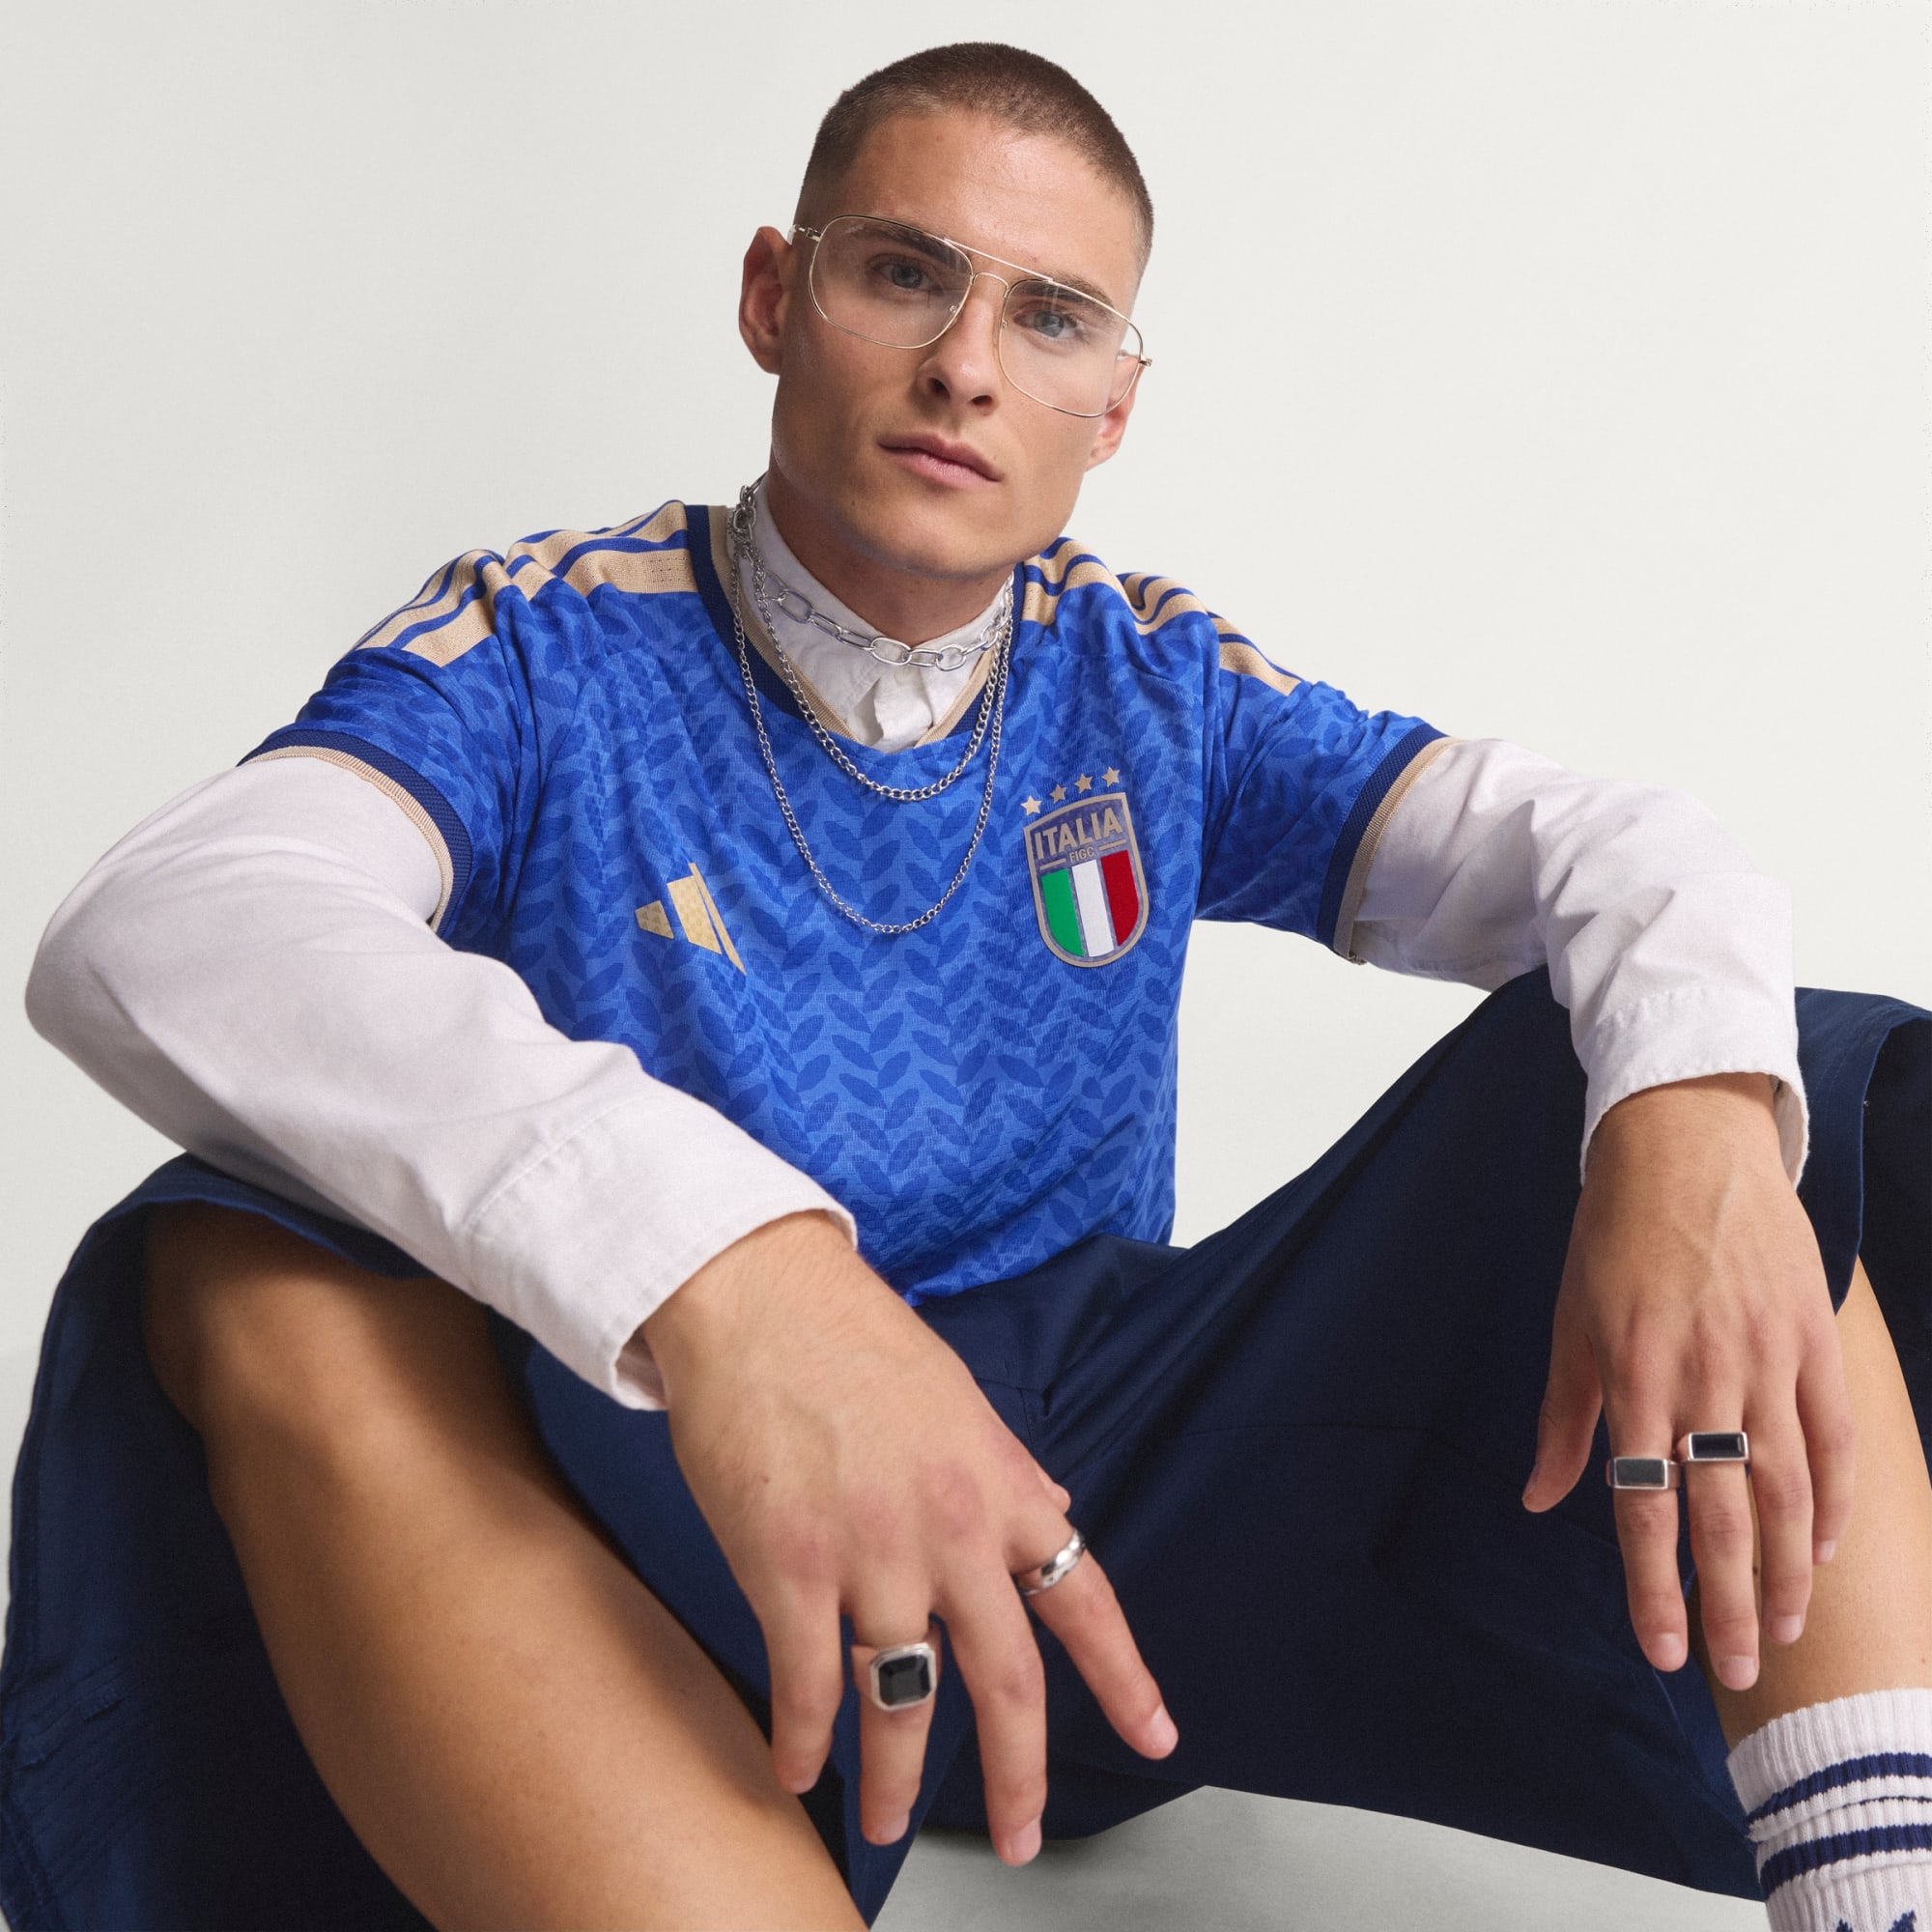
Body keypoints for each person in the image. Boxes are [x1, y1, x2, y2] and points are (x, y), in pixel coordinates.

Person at [8, 39, 1929, 1932]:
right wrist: (740, 1274)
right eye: (904, 272)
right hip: (683, 1510)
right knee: (243, 1258)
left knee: (1739, 1076)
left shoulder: (1146, 678)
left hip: (1096, 1519)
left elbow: (1613, 849)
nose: (967, 366)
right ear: (776, 297)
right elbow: (176, 919)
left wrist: (1693, 1131)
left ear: (1114, 407)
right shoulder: (541, 643)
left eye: (1052, 317)